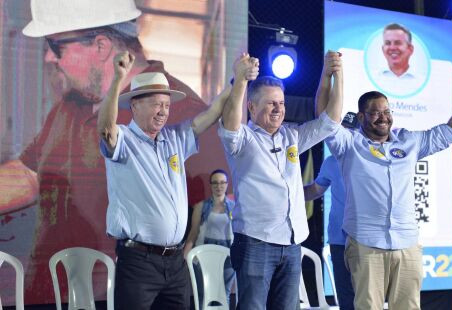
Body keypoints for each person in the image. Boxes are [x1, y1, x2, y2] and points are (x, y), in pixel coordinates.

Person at [0, 0, 231, 302]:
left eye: (56, 45)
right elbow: (30, 174)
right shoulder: (72, 104)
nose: (49, 58)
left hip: (127, 285)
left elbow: (211, 213)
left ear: (102, 46)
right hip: (53, 296)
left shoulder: (185, 117)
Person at [97, 51, 257, 308]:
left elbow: (214, 111)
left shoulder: (174, 138)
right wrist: (118, 79)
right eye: (156, 104)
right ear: (135, 105)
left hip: (174, 262)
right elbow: (106, 128)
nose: (163, 111)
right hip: (138, 262)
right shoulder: (124, 140)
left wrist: (236, 79)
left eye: (167, 105)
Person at [316, 68, 452, 310]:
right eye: (374, 113)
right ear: (360, 117)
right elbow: (325, 120)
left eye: (386, 111)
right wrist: (332, 76)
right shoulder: (349, 144)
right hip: (365, 244)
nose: (383, 117)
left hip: (407, 243)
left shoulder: (409, 141)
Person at [218, 51, 343, 309]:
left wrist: (334, 74)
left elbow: (331, 121)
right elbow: (230, 123)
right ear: (251, 107)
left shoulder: (292, 136)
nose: (279, 109)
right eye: (271, 103)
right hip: (255, 243)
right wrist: (241, 79)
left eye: (282, 103)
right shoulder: (243, 140)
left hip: (292, 243)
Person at [303, 112, 358, 310]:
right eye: (342, 130)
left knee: (367, 296)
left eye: (351, 131)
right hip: (339, 241)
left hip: (365, 240)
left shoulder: (370, 159)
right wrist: (289, 194)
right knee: (345, 298)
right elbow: (315, 190)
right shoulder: (331, 162)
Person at [184, 169, 236, 305]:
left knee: (223, 295)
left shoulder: (235, 207)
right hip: (204, 253)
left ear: (227, 184)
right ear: (211, 185)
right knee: (204, 294)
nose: (219, 186)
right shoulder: (201, 206)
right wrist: (186, 255)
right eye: (215, 183)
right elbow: (194, 232)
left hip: (228, 255)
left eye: (222, 183)